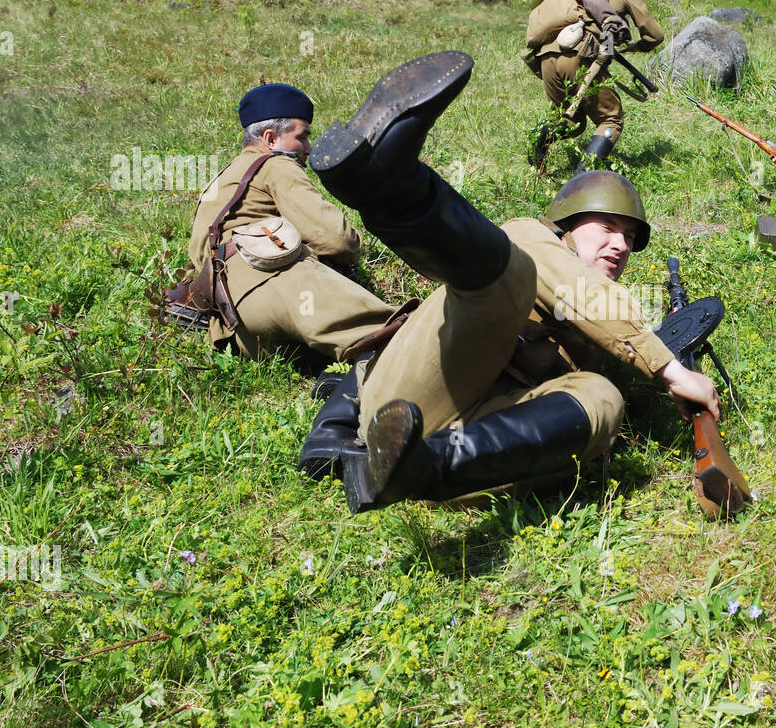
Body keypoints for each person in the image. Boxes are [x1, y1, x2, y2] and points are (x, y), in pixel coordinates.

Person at [300, 51, 720, 510]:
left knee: (603, 398)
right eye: (606, 228)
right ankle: (388, 184)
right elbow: (577, 289)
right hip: (411, 395)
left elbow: (597, 328)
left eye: (629, 237)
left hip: (459, 453)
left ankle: (417, 469)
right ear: (566, 226)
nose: (620, 245)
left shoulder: (607, 324)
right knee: (515, 265)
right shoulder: (535, 240)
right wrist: (669, 368)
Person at [182, 83, 404, 364]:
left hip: (237, 327)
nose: (308, 149)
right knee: (396, 338)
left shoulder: (221, 179)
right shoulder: (275, 164)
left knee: (341, 363)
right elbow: (335, 238)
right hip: (278, 288)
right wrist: (357, 245)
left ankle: (339, 389)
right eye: (303, 137)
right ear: (271, 138)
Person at [528, 0, 665, 172]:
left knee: (570, 118)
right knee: (611, 119)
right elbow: (655, 35)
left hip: (546, 59)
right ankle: (582, 175)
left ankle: (538, 141)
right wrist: (637, 47)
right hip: (580, 58)